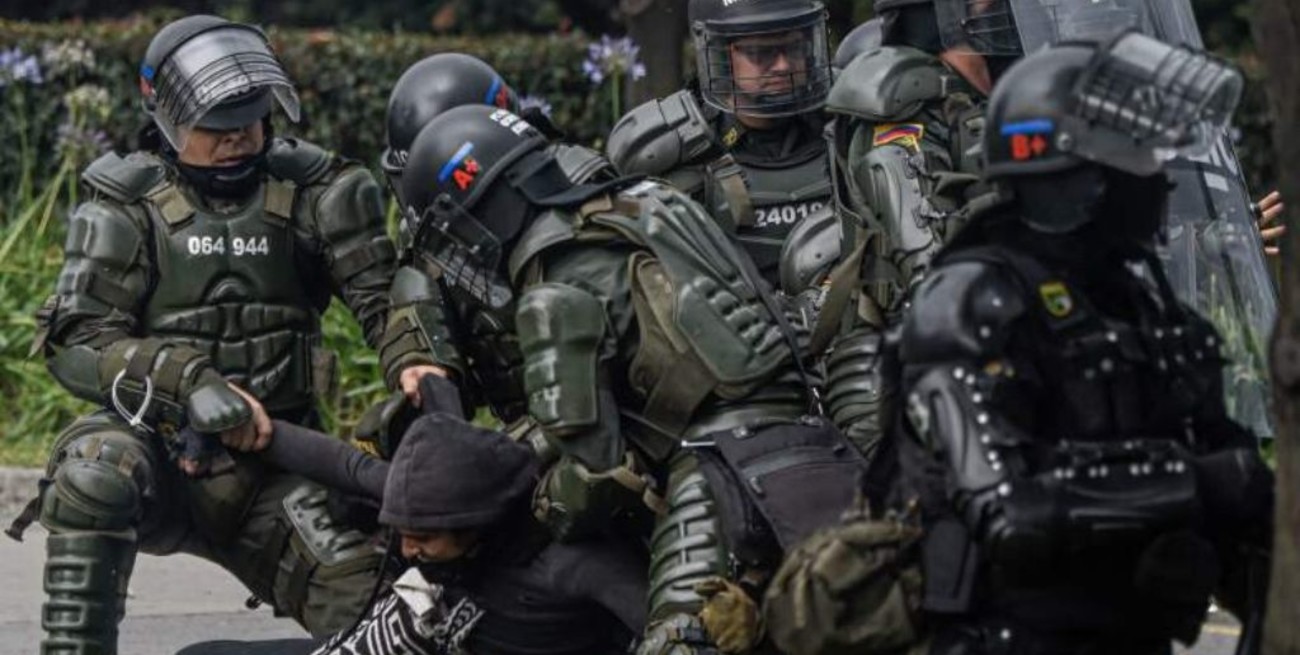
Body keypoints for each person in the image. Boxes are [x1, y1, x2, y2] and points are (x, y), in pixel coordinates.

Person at [772, 33, 1275, 655]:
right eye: (1141, 160)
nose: (1161, 184)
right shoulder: (972, 303)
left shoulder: (1140, 307)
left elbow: (1239, 493)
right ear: (1082, 180)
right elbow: (1009, 510)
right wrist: (1192, 481)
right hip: (999, 637)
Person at [13, 15, 441, 654]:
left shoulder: (315, 193)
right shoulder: (125, 206)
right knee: (92, 475)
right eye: (215, 125)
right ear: (167, 120)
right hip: (155, 447)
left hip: (274, 461)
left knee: (384, 622)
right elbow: (77, 341)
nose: (237, 136)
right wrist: (186, 381)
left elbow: (384, 302)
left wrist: (415, 360)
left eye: (250, 117)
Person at [400, 105, 867, 655]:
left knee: (679, 641)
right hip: (809, 436)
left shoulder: (553, 289)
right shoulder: (647, 200)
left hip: (714, 469)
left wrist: (517, 511)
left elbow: (594, 478)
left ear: (477, 214)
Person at [818, 0, 1285, 455]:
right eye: (987, 2)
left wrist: (1195, 243)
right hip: (924, 374)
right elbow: (935, 272)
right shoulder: (900, 118)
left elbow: (1077, 221)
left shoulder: (1012, 100)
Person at [237, 374, 647, 655]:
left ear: (476, 525)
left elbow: (664, 626)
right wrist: (256, 430)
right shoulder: (426, 498)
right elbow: (349, 466)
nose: (408, 548)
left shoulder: (571, 564)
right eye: (402, 533)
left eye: (423, 539)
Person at [606, 0, 838, 292]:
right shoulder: (675, 151)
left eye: (794, 48)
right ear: (720, 56)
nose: (783, 66)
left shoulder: (846, 122)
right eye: (761, 53)